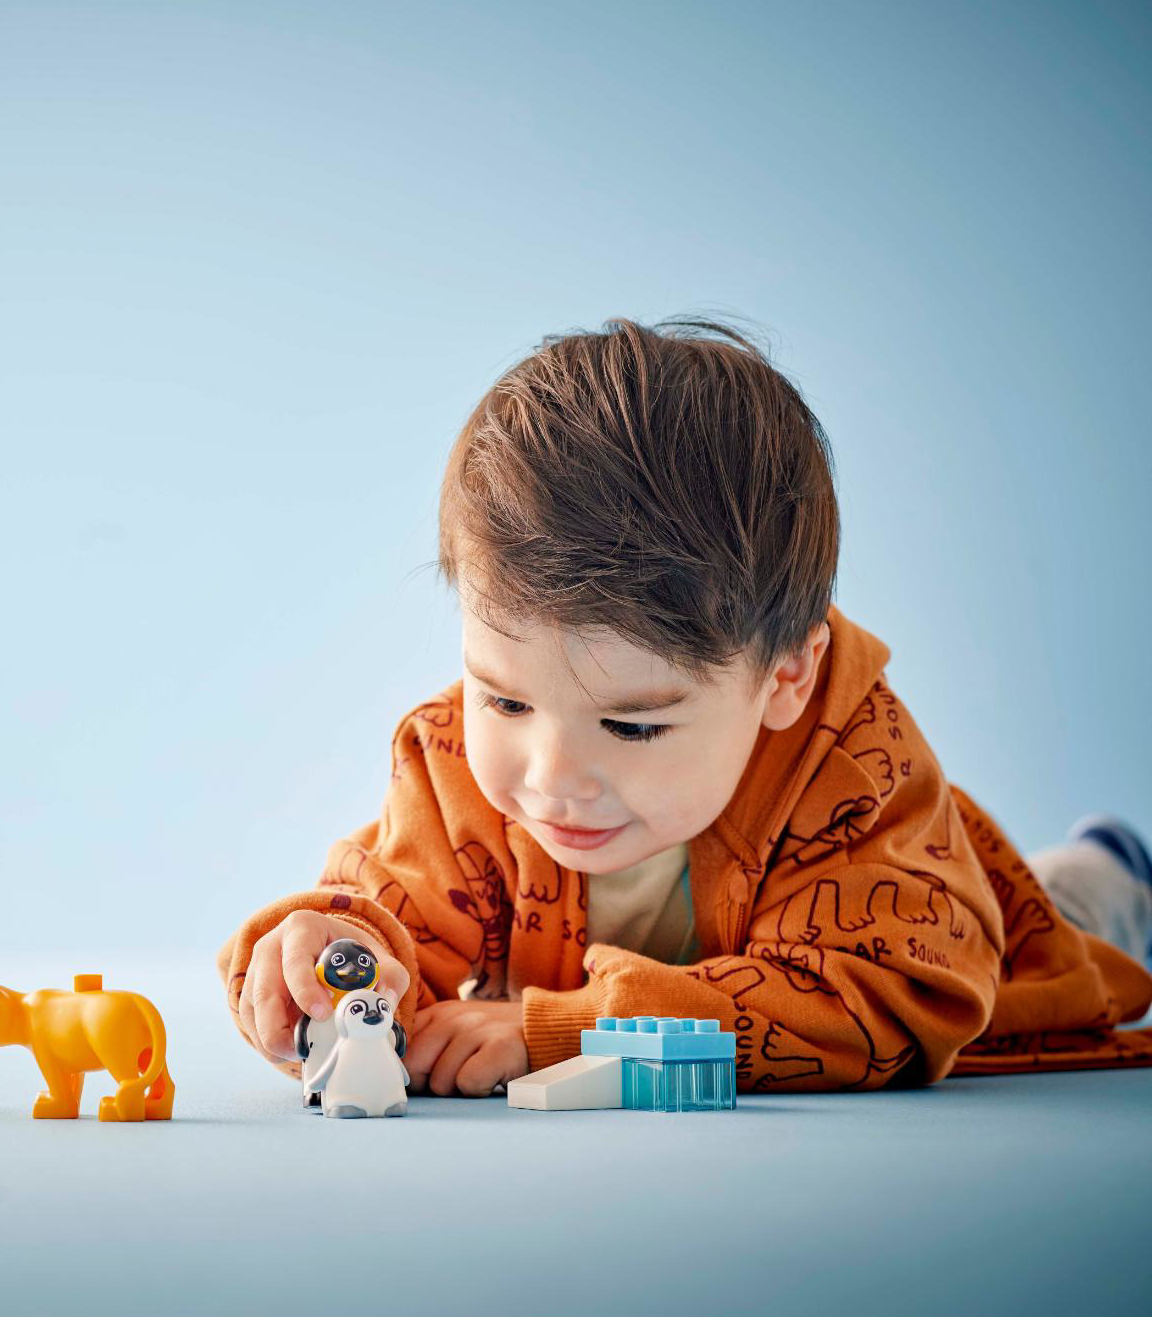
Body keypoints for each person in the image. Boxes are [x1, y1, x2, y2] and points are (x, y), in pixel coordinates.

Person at [218, 317, 1152, 1095]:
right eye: (504, 699)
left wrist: (571, 1034)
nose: (552, 779)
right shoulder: (455, 762)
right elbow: (396, 910)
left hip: (959, 916)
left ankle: (1110, 870)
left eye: (633, 724)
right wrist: (332, 953)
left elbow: (881, 1001)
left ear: (784, 678)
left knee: (1063, 924)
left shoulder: (855, 774)